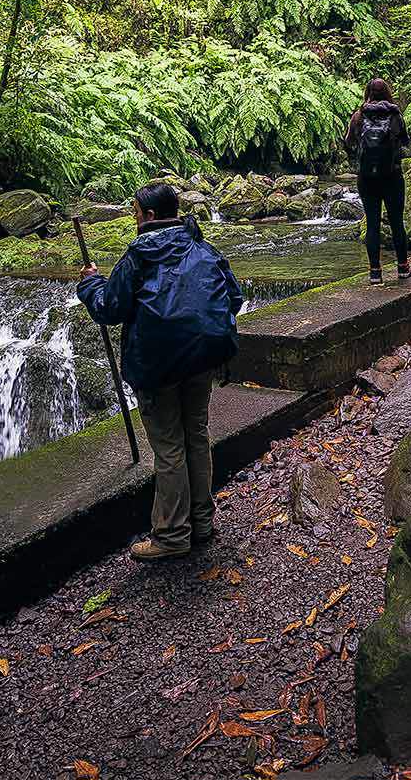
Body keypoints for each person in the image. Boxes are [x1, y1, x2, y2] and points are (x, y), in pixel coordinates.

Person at [78, 183, 244, 561]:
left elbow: (110, 308)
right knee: (196, 436)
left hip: (157, 366)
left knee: (169, 448)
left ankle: (171, 535)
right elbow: (233, 297)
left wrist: (90, 284)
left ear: (150, 217)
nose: (133, 217)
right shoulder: (201, 246)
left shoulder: (138, 256)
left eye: (135, 211)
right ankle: (202, 522)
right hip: (203, 357)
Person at [344, 78, 411, 285]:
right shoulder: (395, 115)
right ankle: (403, 267)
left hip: (367, 178)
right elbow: (405, 142)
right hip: (392, 176)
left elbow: (348, 143)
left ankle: (375, 272)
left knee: (372, 223)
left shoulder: (358, 116)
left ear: (368, 93)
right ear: (387, 93)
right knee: (396, 222)